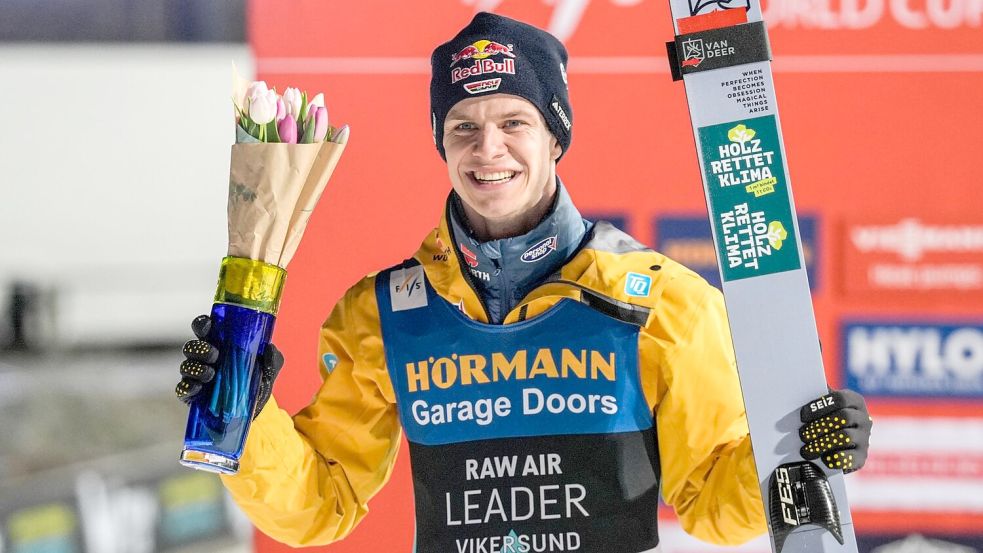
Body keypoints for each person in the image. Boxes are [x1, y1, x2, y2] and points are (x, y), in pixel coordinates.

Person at [176, 12, 872, 552]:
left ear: (555, 136)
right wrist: (246, 416)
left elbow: (712, 503)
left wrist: (796, 456)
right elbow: (318, 505)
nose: (488, 149)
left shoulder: (661, 304)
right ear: (440, 142)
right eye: (462, 126)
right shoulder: (381, 313)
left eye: (514, 122)